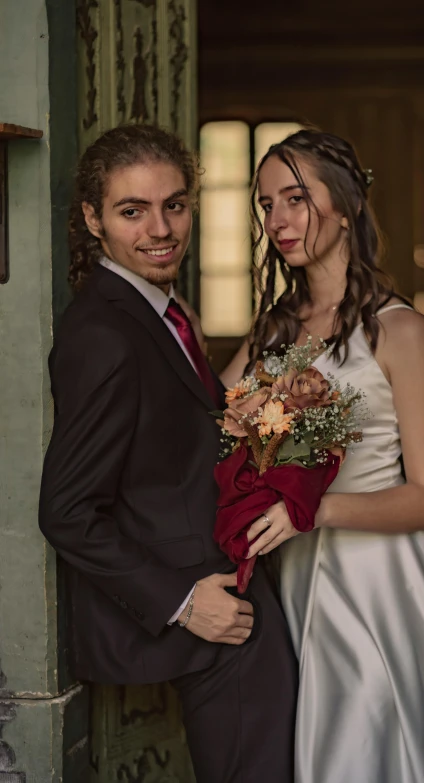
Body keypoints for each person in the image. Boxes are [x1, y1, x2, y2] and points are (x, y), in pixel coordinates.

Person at [222, 129, 424, 783]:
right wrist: (255, 423)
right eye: (266, 204)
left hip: (379, 583)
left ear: (345, 204)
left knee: (368, 744)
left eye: (295, 198)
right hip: (292, 573)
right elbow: (222, 426)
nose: (278, 220)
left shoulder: (401, 331)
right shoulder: (274, 329)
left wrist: (308, 510)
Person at [38, 124, 297, 783]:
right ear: (94, 219)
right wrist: (185, 600)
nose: (161, 229)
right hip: (206, 614)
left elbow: (167, 446)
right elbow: (67, 511)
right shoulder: (103, 332)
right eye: (133, 211)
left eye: (174, 205)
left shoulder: (161, 306)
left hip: (234, 586)